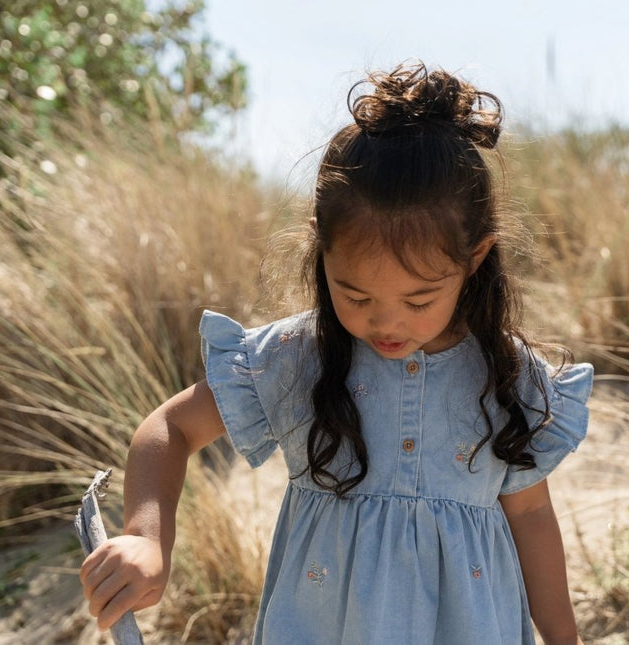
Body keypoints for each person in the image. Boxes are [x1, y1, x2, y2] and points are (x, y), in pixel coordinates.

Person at [80, 61, 593, 645]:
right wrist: (147, 539)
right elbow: (170, 428)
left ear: (475, 258)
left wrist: (564, 639)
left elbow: (530, 515)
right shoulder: (301, 357)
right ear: (321, 251)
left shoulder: (506, 376)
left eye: (419, 299)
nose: (386, 322)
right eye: (356, 295)